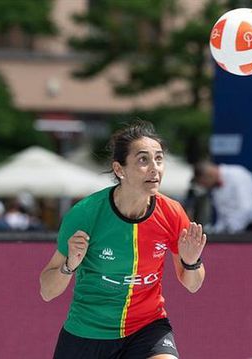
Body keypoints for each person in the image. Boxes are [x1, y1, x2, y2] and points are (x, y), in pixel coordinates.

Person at [39, 120, 207, 359]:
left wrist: (191, 262)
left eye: (159, 159)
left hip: (147, 327)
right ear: (119, 169)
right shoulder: (86, 213)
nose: (154, 168)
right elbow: (47, 291)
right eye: (143, 160)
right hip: (88, 333)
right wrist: (70, 266)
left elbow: (193, 284)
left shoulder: (172, 212)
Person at [193, 160, 252, 234]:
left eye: (204, 183)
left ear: (209, 175)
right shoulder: (215, 188)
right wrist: (217, 230)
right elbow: (222, 216)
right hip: (232, 232)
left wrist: (231, 230)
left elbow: (246, 208)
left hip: (251, 229)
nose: (205, 187)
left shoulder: (238, 175)